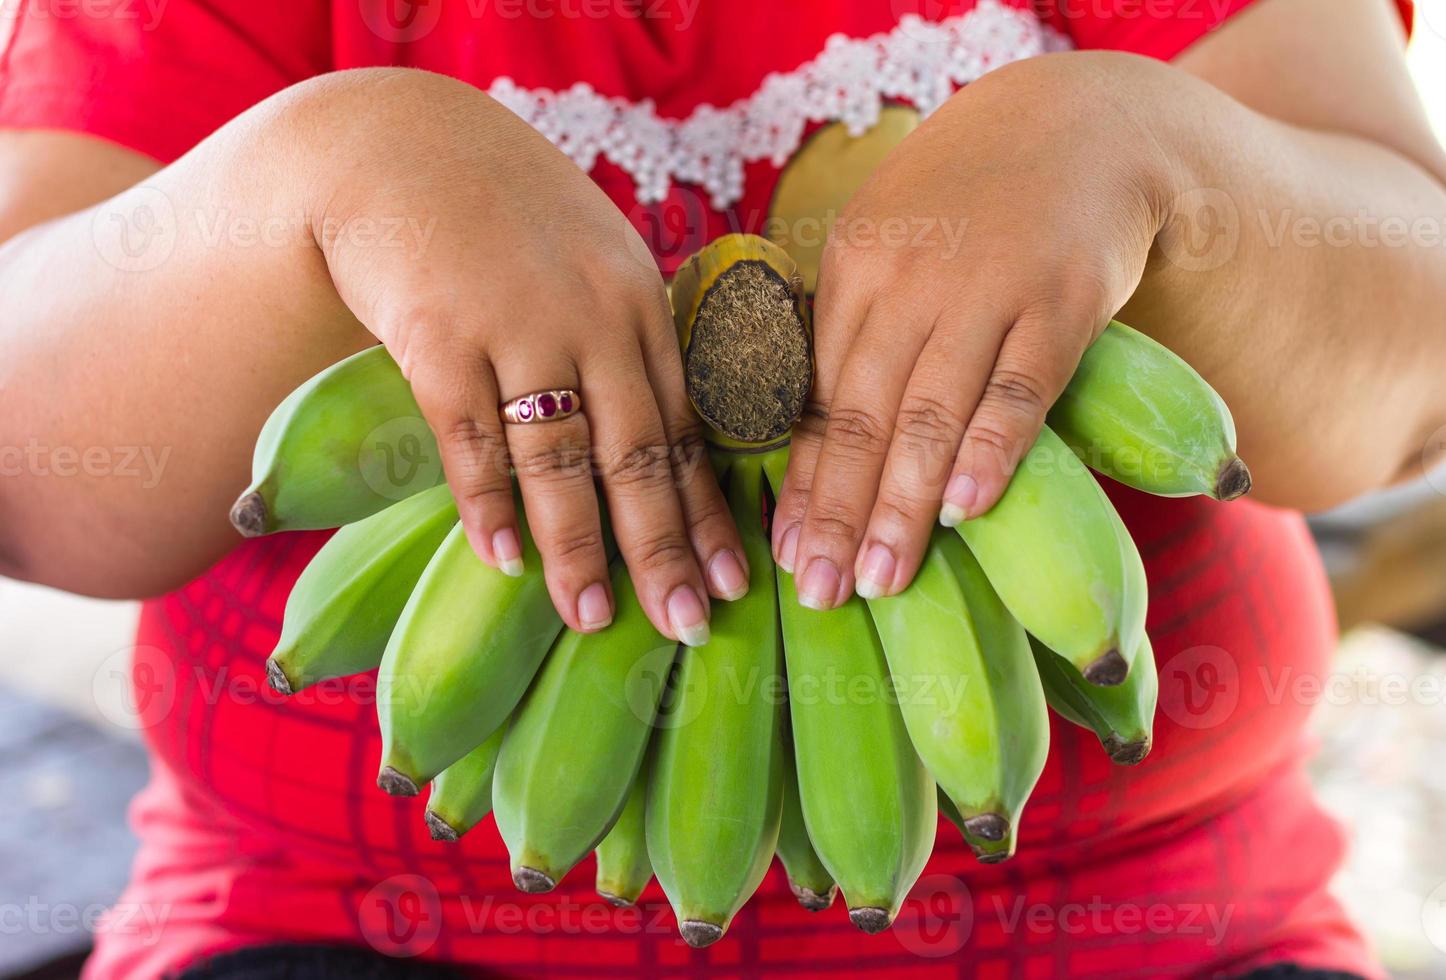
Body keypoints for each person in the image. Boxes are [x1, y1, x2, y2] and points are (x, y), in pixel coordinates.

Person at [0, 0, 1440, 976]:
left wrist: (1156, 157)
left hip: (1150, 924)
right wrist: (319, 178)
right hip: (349, 928)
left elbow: (1412, 372)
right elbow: (31, 463)